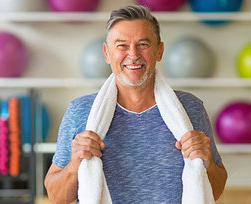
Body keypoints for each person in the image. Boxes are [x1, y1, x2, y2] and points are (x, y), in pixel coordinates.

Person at [44, 5, 227, 204]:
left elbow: (216, 190)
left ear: (159, 51)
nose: (133, 54)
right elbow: (55, 197)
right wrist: (74, 165)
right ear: (107, 53)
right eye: (122, 45)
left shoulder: (190, 109)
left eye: (143, 44)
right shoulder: (80, 112)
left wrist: (207, 162)